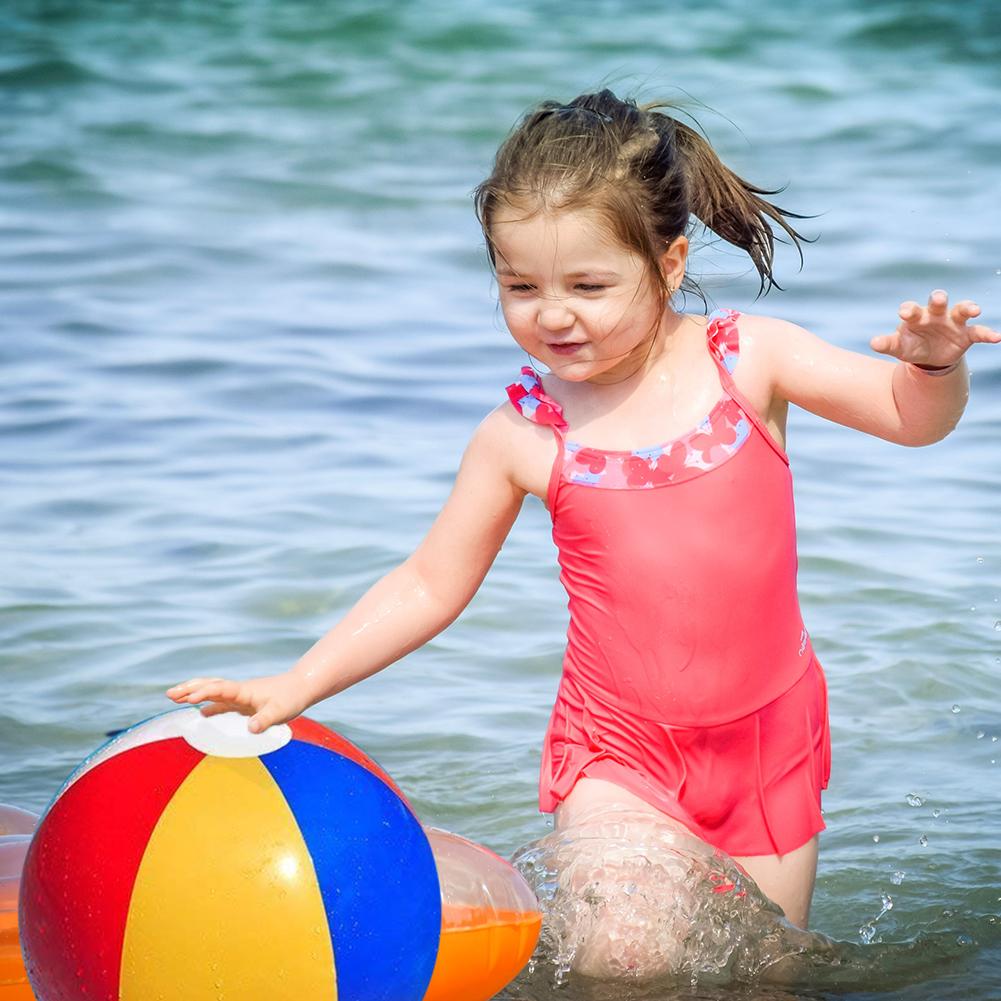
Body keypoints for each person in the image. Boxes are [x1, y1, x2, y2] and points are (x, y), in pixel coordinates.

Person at [167, 89, 998, 956]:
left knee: (763, 967)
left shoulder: (750, 359)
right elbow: (428, 582)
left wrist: (934, 369)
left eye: (588, 285)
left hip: (766, 740)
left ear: (670, 263)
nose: (551, 313)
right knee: (623, 959)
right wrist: (297, 684)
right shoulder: (524, 435)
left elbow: (910, 419)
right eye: (519, 285)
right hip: (617, 747)